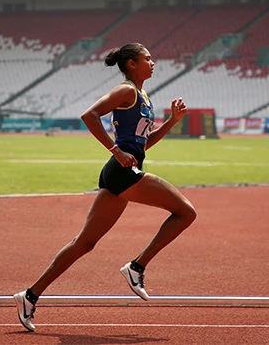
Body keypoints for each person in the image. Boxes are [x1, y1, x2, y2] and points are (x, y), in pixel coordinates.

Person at [13, 43, 197, 332]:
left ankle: (29, 296)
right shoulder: (126, 91)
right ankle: (137, 267)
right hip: (122, 171)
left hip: (120, 170)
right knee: (186, 213)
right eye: (147, 58)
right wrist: (116, 151)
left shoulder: (143, 96)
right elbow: (89, 115)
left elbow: (143, 144)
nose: (153, 63)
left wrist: (172, 121)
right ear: (132, 64)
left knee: (84, 243)